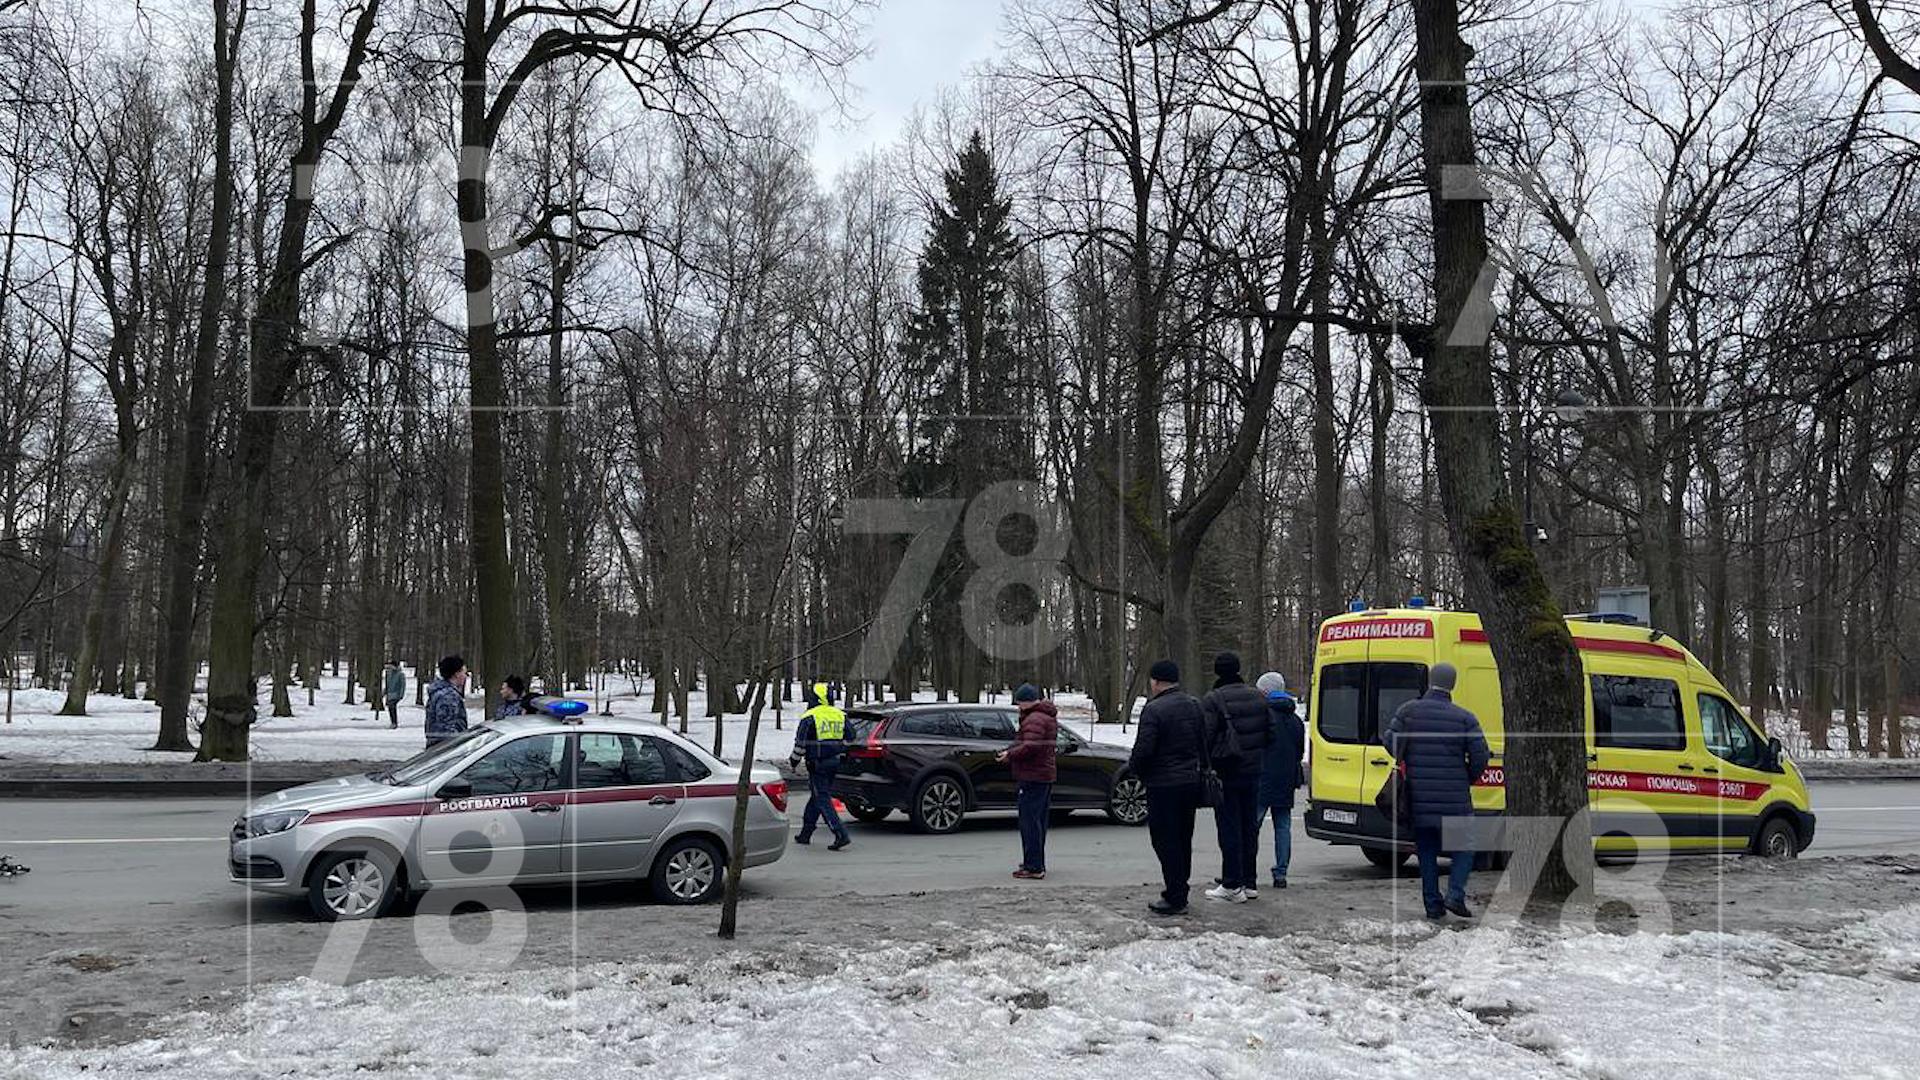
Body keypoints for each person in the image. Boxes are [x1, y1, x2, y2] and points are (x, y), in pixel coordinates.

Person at [1383, 661, 1492, 920]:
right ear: (1452, 685)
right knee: (1464, 846)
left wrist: (1408, 758)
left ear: (1430, 681)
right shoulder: (1465, 718)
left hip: (1418, 797)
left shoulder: (1408, 711)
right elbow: (1481, 756)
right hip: (1455, 799)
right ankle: (1455, 894)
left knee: (1427, 851)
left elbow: (1390, 742)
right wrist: (1467, 777)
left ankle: (1433, 905)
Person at [1127, 659, 1208, 916]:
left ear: (1156, 681)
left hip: (1162, 784)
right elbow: (1203, 742)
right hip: (1189, 781)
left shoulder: (1154, 710)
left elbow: (1144, 749)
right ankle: (1180, 889)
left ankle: (1175, 895)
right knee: (1184, 838)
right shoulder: (1194, 705)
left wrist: (1137, 770)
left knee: (1164, 840)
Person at [1202, 651, 1272, 903]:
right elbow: (1270, 734)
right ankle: (1249, 881)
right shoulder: (1258, 697)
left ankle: (1231, 884)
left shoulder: (1213, 699)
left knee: (1229, 828)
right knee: (1248, 827)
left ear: (1218, 671)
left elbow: (1206, 737)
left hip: (1226, 772)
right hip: (1253, 771)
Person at [997, 683, 1058, 880]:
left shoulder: (1034, 719)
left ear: (1024, 702)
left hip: (1033, 776)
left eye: (1019, 703)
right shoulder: (1044, 716)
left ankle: (1034, 866)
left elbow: (1030, 747)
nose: (1017, 707)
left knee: (1029, 822)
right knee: (1038, 821)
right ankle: (1035, 861)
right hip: (1043, 775)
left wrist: (1010, 754)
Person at [1255, 671, 1305, 889]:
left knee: (1251, 827)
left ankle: (1244, 869)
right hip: (1286, 779)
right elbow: (1299, 751)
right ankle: (1281, 873)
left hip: (1262, 778)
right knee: (1282, 827)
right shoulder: (1295, 721)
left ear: (1265, 692)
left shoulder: (1262, 716)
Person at [789, 681, 851, 851]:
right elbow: (851, 737)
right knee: (817, 796)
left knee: (822, 798)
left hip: (817, 763)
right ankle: (806, 833)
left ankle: (840, 833)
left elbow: (800, 744)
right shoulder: (840, 714)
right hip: (835, 762)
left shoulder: (810, 716)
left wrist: (794, 761)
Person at [424, 656, 469, 747]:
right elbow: (447, 729)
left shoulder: (441, 692)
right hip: (444, 748)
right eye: (464, 673)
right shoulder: (448, 696)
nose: (465, 676)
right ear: (457, 674)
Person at [382, 660, 406, 729]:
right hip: (390, 694)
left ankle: (394, 722)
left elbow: (402, 685)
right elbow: (388, 684)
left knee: (392, 707)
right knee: (390, 708)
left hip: (396, 694)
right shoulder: (389, 674)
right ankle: (393, 722)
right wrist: (385, 692)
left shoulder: (400, 674)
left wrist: (401, 694)